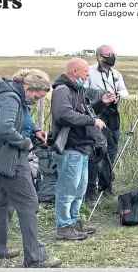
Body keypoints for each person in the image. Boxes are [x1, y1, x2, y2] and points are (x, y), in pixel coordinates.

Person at [0, 69, 61, 268]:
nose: (36, 101)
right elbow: (5, 128)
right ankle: (36, 257)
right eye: (37, 97)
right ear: (28, 88)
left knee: (3, 204)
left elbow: (21, 120)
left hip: (5, 158)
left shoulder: (14, 95)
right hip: (12, 159)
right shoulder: (11, 99)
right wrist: (25, 142)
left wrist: (35, 131)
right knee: (29, 205)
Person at [50, 58, 105, 240]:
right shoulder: (62, 90)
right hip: (70, 147)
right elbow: (64, 114)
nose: (88, 76)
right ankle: (63, 226)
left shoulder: (78, 90)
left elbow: (84, 112)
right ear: (75, 72)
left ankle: (74, 221)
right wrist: (91, 121)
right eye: (85, 73)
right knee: (67, 189)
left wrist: (102, 103)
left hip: (82, 147)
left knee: (79, 189)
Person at [83, 45, 129, 206]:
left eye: (113, 54)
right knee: (96, 153)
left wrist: (118, 96)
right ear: (99, 57)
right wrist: (100, 96)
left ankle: (106, 186)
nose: (112, 57)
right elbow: (83, 93)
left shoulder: (116, 74)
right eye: (108, 55)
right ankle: (91, 190)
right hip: (96, 115)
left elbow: (125, 91)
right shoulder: (89, 71)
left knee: (112, 150)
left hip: (113, 115)